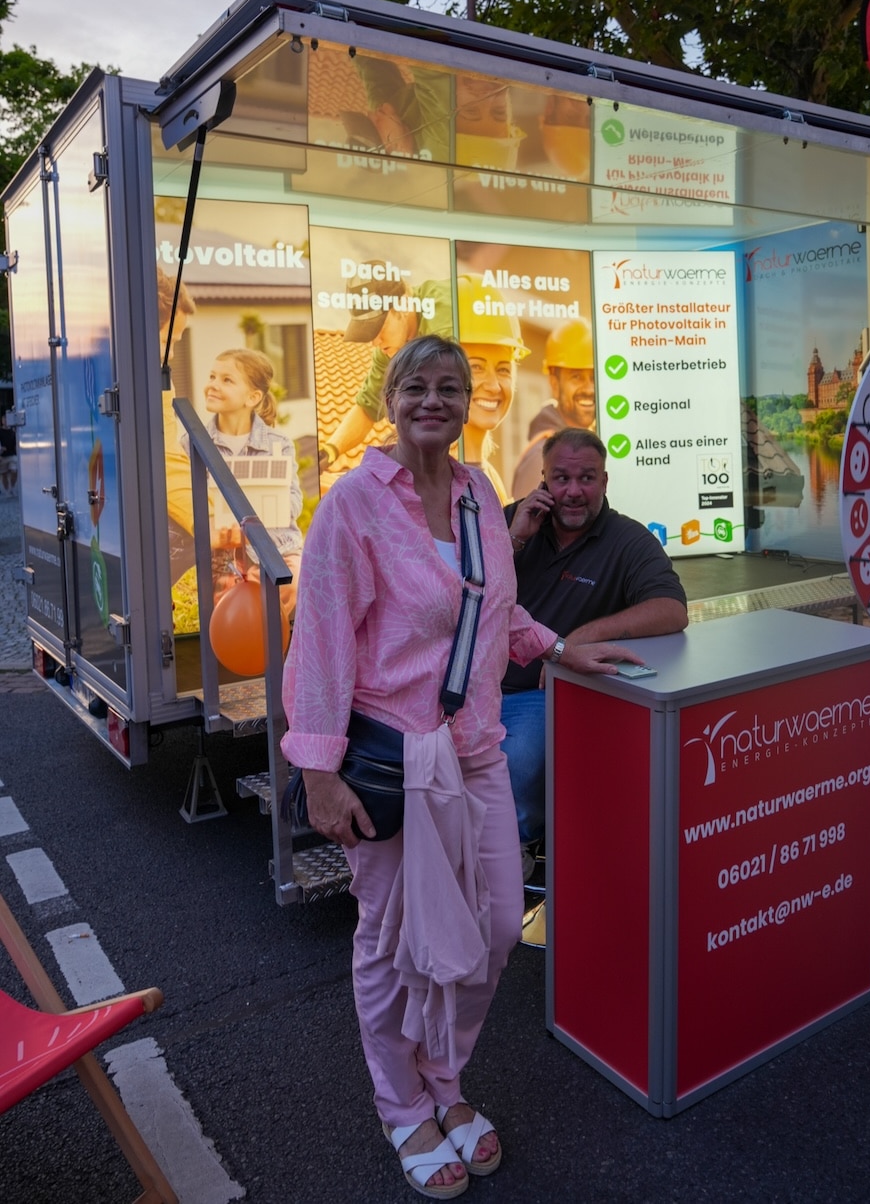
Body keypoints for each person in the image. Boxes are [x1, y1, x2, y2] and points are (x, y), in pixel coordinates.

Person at [280, 336, 642, 1197]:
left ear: (468, 398)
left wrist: (556, 649)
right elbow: (322, 642)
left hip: (476, 749)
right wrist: (319, 770)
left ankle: (446, 1080)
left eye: (449, 387)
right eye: (416, 386)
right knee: (392, 940)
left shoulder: (480, 490)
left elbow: (494, 611)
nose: (432, 401)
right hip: (394, 758)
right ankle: (402, 1103)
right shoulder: (354, 504)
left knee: (489, 932)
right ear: (392, 397)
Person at [502, 427, 689, 859]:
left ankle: (519, 851)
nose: (573, 492)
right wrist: (515, 538)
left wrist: (578, 638)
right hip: (472, 686)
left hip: (539, 692)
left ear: (604, 482)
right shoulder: (513, 519)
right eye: (561, 478)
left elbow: (671, 609)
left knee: (518, 761)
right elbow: (462, 589)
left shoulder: (627, 539)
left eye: (586, 478)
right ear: (543, 479)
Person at [184, 348, 304, 615]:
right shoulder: (192, 444)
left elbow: (294, 502)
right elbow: (187, 502)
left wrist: (260, 509)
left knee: (285, 588)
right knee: (229, 609)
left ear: (253, 397)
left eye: (227, 380)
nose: (213, 385)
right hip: (222, 556)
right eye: (213, 376)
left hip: (277, 548)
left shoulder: (278, 444)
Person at [320, 263, 453, 470]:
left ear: (402, 304)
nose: (374, 342)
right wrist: (331, 450)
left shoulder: (443, 321)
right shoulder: (390, 349)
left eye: (378, 328)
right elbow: (369, 406)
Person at [456, 274, 529, 505]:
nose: (494, 385)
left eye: (504, 369)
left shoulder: (489, 475)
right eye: (476, 367)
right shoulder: (435, 480)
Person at [510, 318, 595, 499]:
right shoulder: (540, 459)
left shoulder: (588, 445)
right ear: (554, 383)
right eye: (577, 377)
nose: (589, 389)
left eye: (594, 378)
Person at [157, 266, 198, 583]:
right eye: (165, 340)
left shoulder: (160, 380)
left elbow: (169, 448)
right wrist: (208, 521)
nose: (170, 353)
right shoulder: (149, 384)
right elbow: (166, 464)